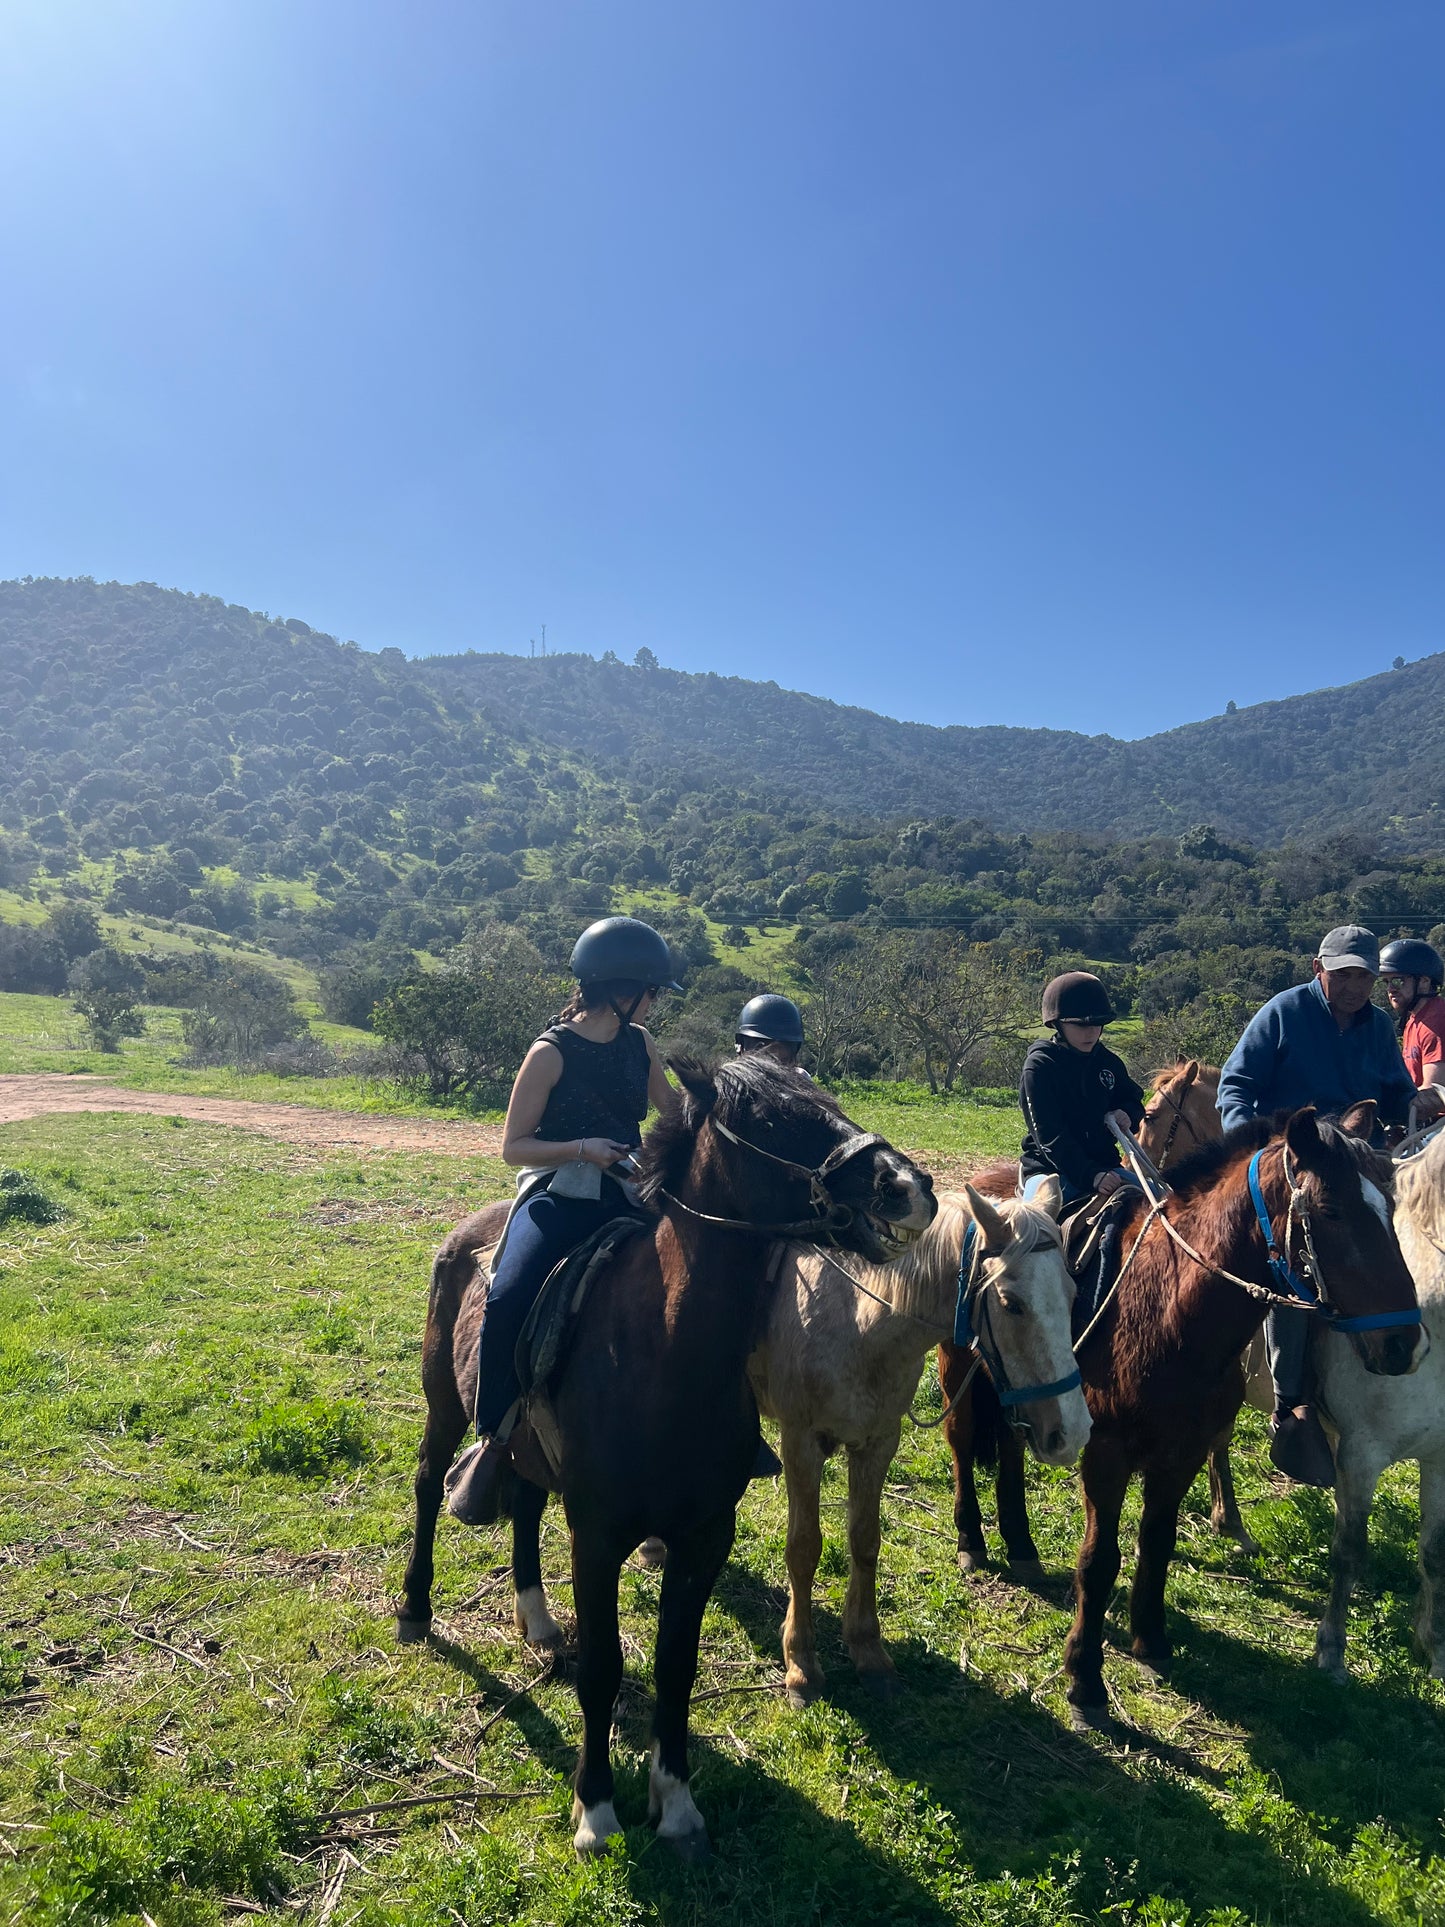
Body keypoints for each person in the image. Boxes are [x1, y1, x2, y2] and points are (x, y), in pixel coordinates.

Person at [445, 916, 680, 1521]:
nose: (655, 1002)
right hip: (560, 1191)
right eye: (651, 991)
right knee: (512, 1292)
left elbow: (673, 1112)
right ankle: (492, 1438)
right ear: (620, 989)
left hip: (629, 1193)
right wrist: (584, 1149)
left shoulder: (641, 1044)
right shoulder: (549, 1053)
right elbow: (513, 1147)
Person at [1218, 925, 1445, 1487]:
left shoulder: (1376, 1025)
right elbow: (1236, 1084)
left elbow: (1393, 1087)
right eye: (1343, 973)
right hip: (1293, 1160)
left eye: (1364, 976)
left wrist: (1415, 1099)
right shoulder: (1284, 1012)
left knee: (1393, 1239)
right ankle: (1292, 1400)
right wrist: (1249, 1144)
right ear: (1320, 969)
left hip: (1353, 1155)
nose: (1354, 986)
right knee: (1295, 1268)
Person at [1019, 972, 1146, 1206]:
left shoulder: (1109, 1063)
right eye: (1080, 1025)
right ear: (1057, 1024)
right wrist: (1091, 1175)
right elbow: (1049, 1135)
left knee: (1162, 1204)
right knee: (1033, 1230)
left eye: (1097, 1024)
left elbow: (1132, 1097)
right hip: (1051, 1171)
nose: (1090, 1032)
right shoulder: (1039, 1068)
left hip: (1108, 1167)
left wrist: (1127, 1112)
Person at [1379, 938, 1445, 1093]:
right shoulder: (1414, 1020)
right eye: (1386, 982)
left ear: (1424, 981)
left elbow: (1434, 1093)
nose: (1391, 989)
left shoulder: (1437, 1020)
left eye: (1398, 981)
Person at [735, 993, 805, 1067]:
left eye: (783, 1059)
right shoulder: (727, 1076)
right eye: (759, 1049)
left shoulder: (801, 1077)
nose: (772, 1064)